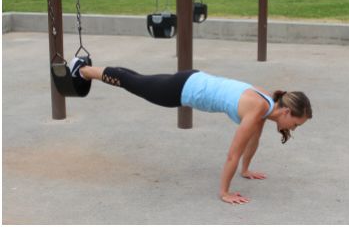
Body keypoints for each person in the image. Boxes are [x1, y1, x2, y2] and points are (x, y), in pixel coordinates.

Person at [69, 57, 313, 205]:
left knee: (137, 80)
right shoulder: (258, 108)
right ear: (287, 113)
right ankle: (82, 70)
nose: (294, 129)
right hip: (181, 90)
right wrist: (224, 192)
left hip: (193, 79)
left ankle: (87, 70)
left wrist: (246, 170)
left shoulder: (266, 102)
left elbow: (253, 140)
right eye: (296, 124)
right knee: (133, 83)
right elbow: (233, 154)